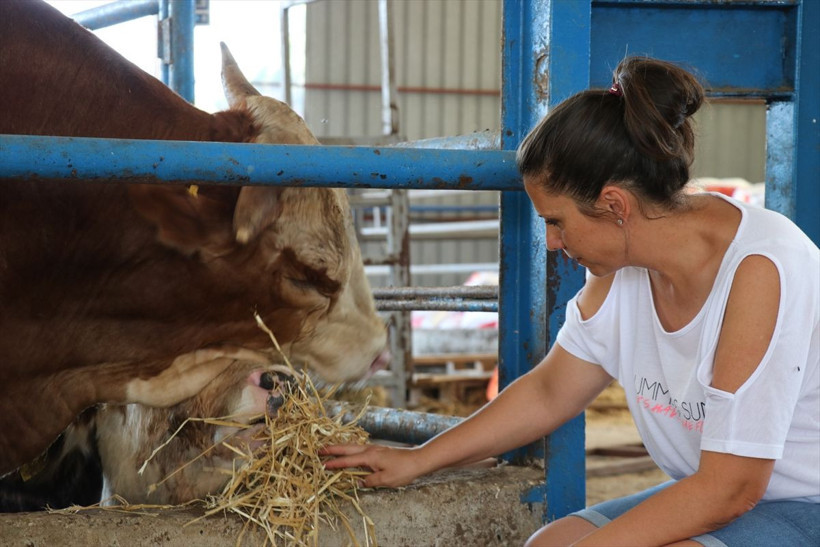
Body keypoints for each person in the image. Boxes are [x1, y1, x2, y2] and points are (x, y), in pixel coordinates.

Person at [322, 56, 820, 546]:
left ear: (614, 205)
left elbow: (732, 489)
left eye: (556, 221)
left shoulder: (760, 270)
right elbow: (551, 390)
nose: (552, 242)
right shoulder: (621, 269)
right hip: (714, 491)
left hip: (800, 502)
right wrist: (417, 460)